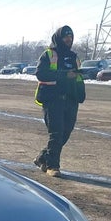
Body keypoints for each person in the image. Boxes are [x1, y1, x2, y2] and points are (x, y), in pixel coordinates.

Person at [33, 25, 85, 177]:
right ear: (58, 38)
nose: (68, 39)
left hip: (71, 100)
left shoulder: (74, 56)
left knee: (65, 133)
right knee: (56, 133)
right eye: (65, 37)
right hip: (53, 100)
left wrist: (81, 93)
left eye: (70, 37)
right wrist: (64, 75)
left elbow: (78, 77)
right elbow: (41, 74)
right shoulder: (49, 54)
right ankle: (52, 166)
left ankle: (43, 157)